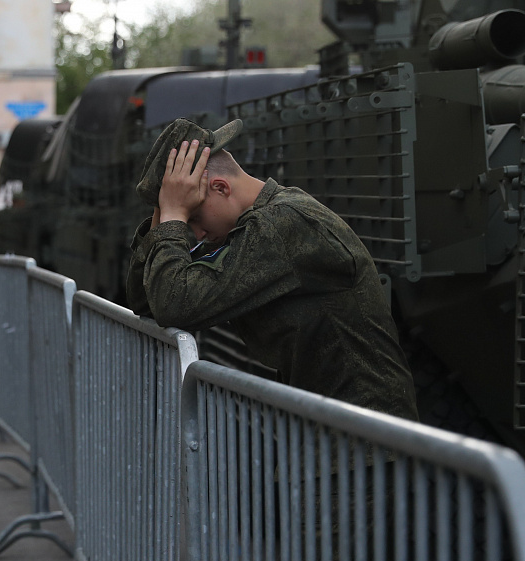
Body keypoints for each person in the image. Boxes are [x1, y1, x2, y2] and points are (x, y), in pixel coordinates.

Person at [126, 118, 418, 421]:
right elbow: (149, 302)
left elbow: (174, 305)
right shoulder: (246, 228)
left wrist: (174, 215)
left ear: (220, 187)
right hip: (329, 426)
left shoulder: (283, 224)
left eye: (195, 218)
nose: (196, 233)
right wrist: (164, 213)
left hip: (365, 434)